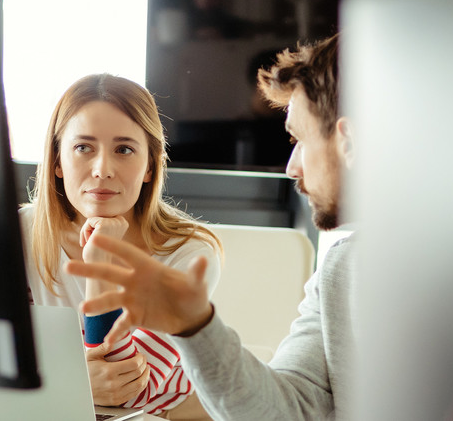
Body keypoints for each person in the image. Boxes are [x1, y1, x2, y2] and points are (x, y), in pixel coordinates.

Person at [65, 34, 357, 420]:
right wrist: (195, 327)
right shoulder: (338, 273)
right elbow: (285, 412)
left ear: (348, 141)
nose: (292, 168)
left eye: (299, 140)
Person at [19, 73, 222, 419]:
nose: (102, 170)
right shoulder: (19, 233)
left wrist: (101, 261)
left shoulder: (190, 253)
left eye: (124, 149)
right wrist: (72, 381)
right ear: (56, 162)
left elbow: (124, 393)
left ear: (149, 165)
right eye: (83, 148)